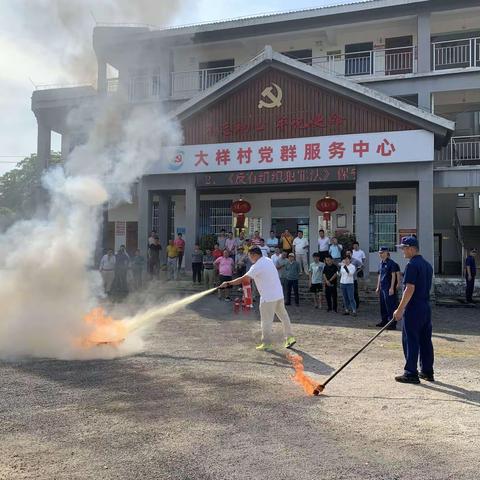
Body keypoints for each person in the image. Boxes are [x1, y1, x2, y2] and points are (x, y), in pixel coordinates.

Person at [219, 247, 296, 351]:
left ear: (255, 255)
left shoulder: (257, 266)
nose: (249, 258)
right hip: (278, 295)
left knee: (266, 321)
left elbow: (243, 279)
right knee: (284, 317)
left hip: (268, 298)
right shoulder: (268, 260)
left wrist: (228, 283)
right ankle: (290, 337)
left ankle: (267, 343)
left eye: (250, 255)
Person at [393, 236, 434, 384]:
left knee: (411, 340)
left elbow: (409, 289)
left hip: (414, 308)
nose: (402, 251)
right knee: (425, 340)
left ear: (411, 248)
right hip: (425, 307)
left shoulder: (411, 265)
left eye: (404, 248)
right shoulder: (427, 265)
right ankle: (427, 371)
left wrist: (399, 309)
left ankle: (411, 372)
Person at [375, 247, 400, 330]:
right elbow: (379, 276)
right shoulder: (380, 263)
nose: (380, 254)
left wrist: (392, 287)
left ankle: (392, 323)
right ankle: (384, 321)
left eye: (382, 252)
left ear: (386, 253)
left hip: (388, 287)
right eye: (379, 253)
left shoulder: (391, 263)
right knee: (383, 305)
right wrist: (378, 287)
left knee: (390, 305)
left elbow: (393, 276)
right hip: (382, 287)